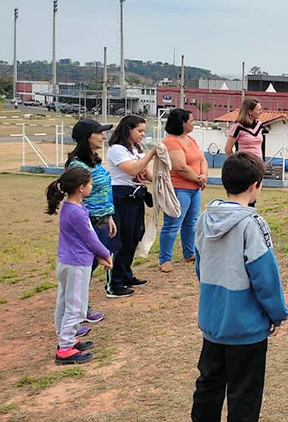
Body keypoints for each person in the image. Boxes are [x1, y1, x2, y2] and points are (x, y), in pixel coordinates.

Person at [184, 151, 288, 422]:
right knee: (244, 392)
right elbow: (264, 276)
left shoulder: (205, 218)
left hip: (213, 320)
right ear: (256, 185)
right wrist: (277, 313)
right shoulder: (252, 224)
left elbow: (201, 266)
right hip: (245, 327)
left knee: (209, 384)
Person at [45, 167, 113, 365]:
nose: (92, 186)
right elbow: (90, 238)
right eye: (90, 183)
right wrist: (105, 253)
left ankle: (66, 339)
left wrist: (98, 255)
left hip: (67, 262)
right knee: (76, 307)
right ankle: (65, 349)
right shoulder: (76, 212)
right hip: (76, 264)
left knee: (65, 303)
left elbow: (84, 238)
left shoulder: (72, 206)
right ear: (81, 188)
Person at [65, 119, 123, 303]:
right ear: (86, 137)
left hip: (101, 220)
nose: (103, 137)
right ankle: (77, 307)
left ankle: (80, 305)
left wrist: (108, 216)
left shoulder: (93, 162)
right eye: (99, 133)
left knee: (90, 266)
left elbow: (104, 191)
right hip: (88, 221)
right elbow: (77, 197)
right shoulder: (78, 166)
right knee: (84, 267)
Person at [106, 115, 156, 295]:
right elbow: (132, 169)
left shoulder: (137, 149)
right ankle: (114, 283)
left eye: (144, 131)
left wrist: (160, 178)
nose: (143, 134)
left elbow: (145, 172)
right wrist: (151, 155)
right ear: (128, 130)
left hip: (136, 195)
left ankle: (126, 274)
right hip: (121, 195)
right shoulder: (116, 149)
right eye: (139, 131)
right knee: (121, 238)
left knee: (134, 236)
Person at [159, 108, 207, 273]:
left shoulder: (190, 139)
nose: (193, 123)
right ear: (182, 123)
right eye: (191, 121)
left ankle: (189, 252)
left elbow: (202, 159)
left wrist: (204, 175)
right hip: (179, 188)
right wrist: (198, 179)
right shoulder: (171, 142)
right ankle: (165, 259)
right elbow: (180, 167)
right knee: (172, 224)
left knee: (191, 223)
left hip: (194, 189)